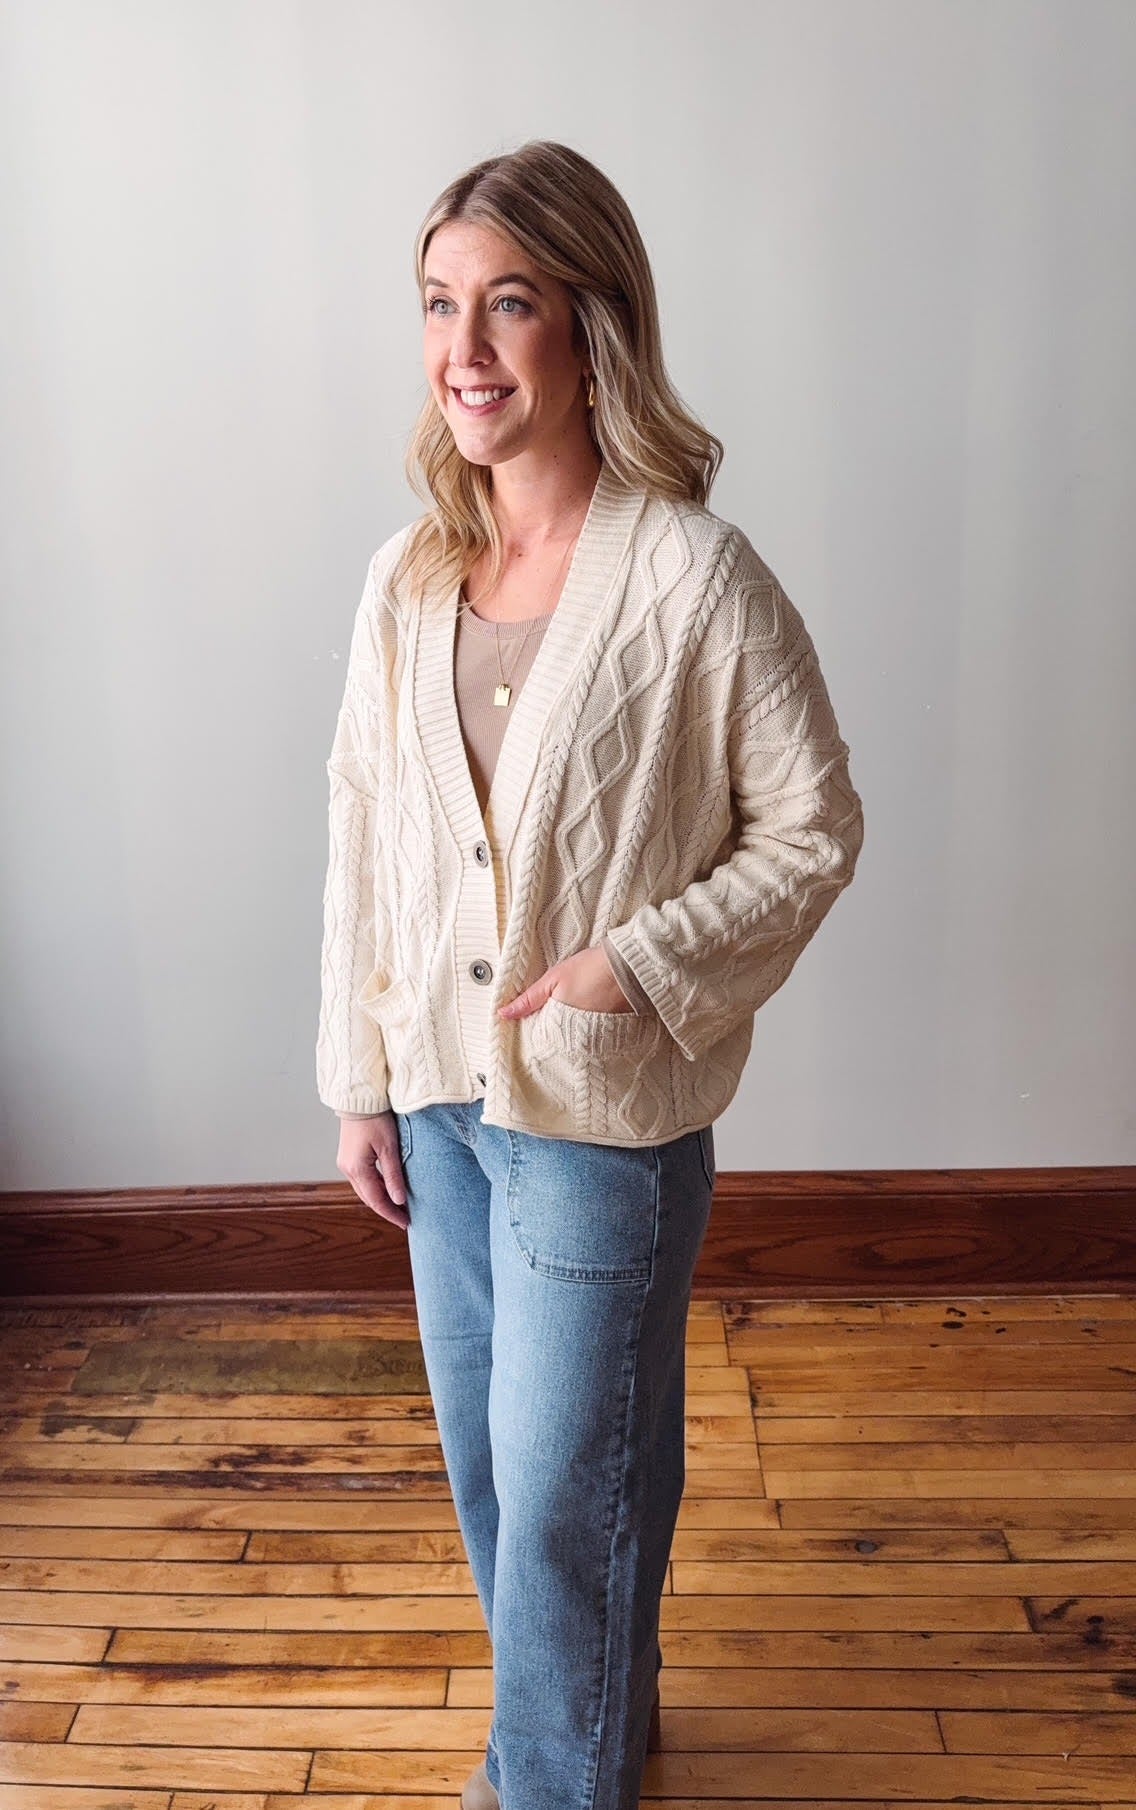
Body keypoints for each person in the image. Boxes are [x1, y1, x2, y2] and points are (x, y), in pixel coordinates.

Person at [316, 139, 865, 1810]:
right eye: (439, 305)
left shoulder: (692, 576)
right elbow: (359, 829)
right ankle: (594, 1734)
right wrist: (358, 1068)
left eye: (510, 304)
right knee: (505, 1467)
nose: (464, 348)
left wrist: (639, 959)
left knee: (571, 1477)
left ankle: (547, 1786)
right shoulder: (411, 578)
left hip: (600, 1121)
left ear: (591, 325)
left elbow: (816, 824)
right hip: (441, 1094)